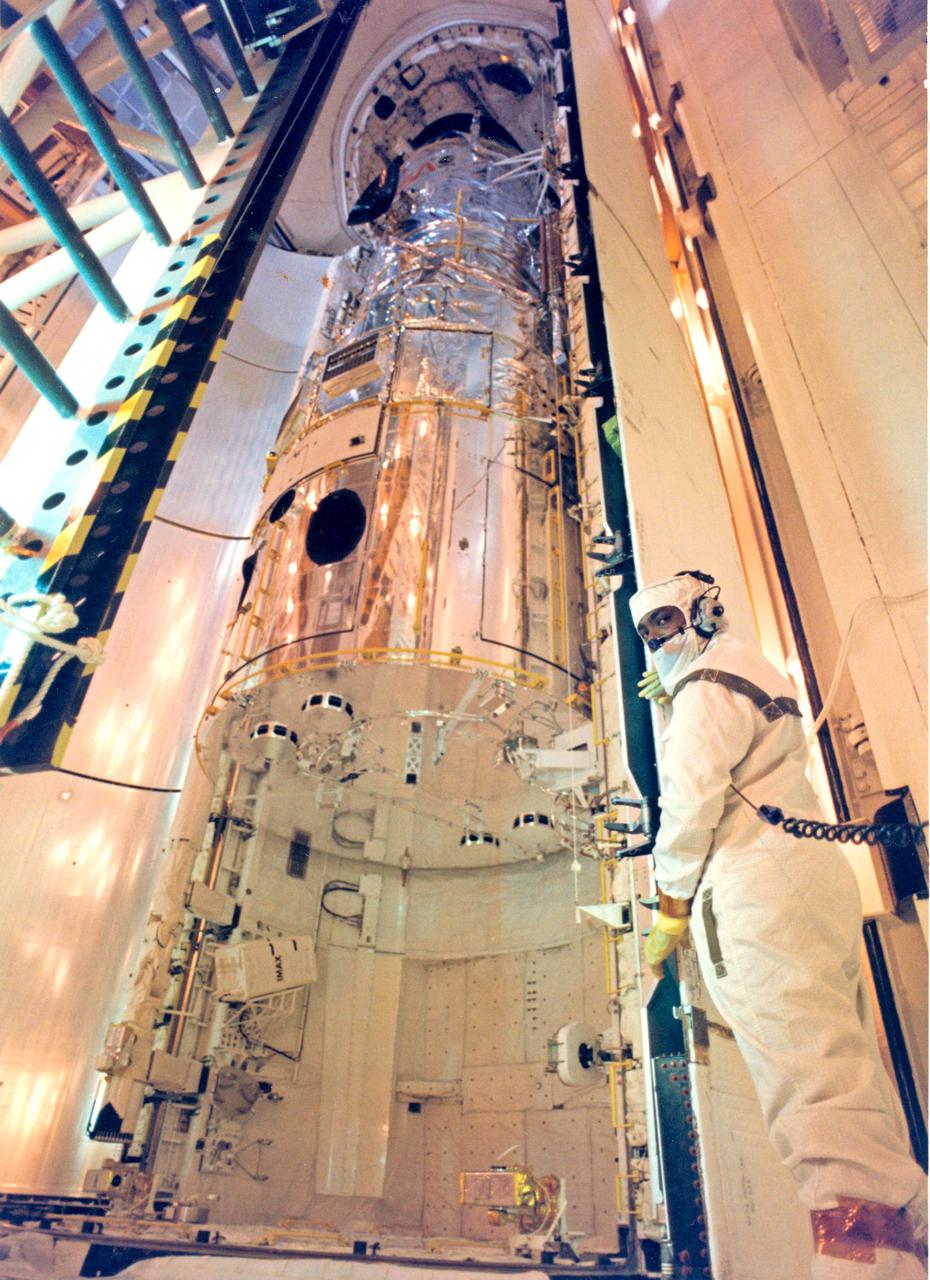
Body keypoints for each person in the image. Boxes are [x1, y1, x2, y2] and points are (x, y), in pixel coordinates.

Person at [629, 570, 927, 1280]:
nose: (659, 641)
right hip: (806, 882)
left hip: (756, 892)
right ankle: (908, 1235)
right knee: (847, 1072)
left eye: (667, 622)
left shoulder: (706, 690)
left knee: (814, 1092)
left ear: (702, 610)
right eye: (646, 632)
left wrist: (670, 911)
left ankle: (869, 1264)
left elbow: (689, 812)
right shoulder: (744, 667)